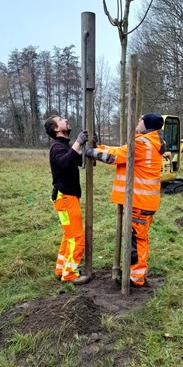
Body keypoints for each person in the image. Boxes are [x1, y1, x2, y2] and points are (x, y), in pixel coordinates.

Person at [85, 113, 166, 288]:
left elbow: (115, 156)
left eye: (140, 120)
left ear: (147, 125)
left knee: (136, 241)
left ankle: (136, 278)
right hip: (143, 202)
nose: (137, 122)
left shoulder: (142, 144)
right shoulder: (149, 142)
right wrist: (99, 147)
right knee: (138, 239)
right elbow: (120, 150)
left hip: (139, 202)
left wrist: (92, 152)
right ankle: (135, 272)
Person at [44, 115, 90, 285]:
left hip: (65, 197)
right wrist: (78, 143)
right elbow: (64, 163)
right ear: (56, 129)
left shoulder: (64, 146)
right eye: (61, 120)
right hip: (65, 198)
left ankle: (60, 269)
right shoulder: (56, 147)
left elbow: (77, 161)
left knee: (68, 235)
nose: (66, 120)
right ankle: (70, 274)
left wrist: (89, 146)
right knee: (77, 237)